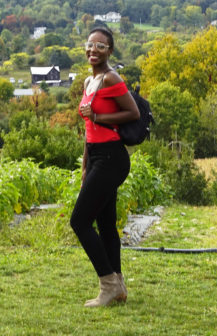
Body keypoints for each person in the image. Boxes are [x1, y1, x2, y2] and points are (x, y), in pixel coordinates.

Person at [70, 26, 140, 307]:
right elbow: (88, 130)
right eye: (90, 44)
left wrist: (98, 115)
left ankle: (107, 284)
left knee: (79, 221)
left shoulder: (111, 78)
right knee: (105, 224)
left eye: (100, 46)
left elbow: (132, 112)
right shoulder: (90, 81)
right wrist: (86, 165)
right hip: (97, 156)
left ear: (110, 50)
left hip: (113, 156)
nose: (93, 50)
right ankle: (118, 287)